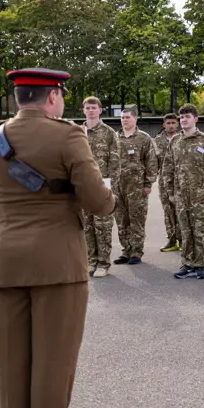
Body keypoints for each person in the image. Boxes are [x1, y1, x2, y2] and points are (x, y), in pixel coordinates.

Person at [0, 68, 115, 408]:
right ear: (52, 97)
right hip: (58, 262)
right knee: (54, 358)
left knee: (12, 360)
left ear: (20, 98)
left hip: (6, 259)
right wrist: (109, 197)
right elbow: (97, 201)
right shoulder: (68, 136)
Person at [162, 104, 204, 279]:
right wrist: (170, 191)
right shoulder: (175, 141)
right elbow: (168, 167)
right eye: (181, 117)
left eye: (187, 117)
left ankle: (200, 265)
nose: (184, 120)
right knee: (185, 232)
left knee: (201, 231)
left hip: (200, 195)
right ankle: (188, 264)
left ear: (195, 119)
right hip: (181, 195)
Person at [114, 106, 158, 265]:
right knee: (121, 220)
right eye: (122, 117)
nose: (124, 120)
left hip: (137, 187)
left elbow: (151, 162)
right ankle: (126, 250)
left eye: (128, 117)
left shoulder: (144, 138)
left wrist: (148, 183)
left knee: (136, 219)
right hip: (118, 187)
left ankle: (136, 252)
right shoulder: (115, 137)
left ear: (135, 118)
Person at [82, 97, 120, 278]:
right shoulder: (78, 132)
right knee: (87, 225)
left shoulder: (109, 132)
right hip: (83, 185)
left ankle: (103, 263)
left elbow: (115, 161)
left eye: (93, 108)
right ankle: (92, 260)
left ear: (100, 110)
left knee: (103, 225)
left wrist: (110, 187)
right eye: (87, 108)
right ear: (83, 110)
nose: (90, 111)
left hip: (103, 185)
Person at [154, 113, 181, 252]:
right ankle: (171, 240)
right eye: (168, 123)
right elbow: (153, 162)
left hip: (181, 181)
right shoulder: (157, 141)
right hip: (164, 181)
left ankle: (183, 240)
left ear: (177, 124)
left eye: (173, 123)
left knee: (182, 211)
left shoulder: (182, 138)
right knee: (168, 211)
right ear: (164, 125)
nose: (171, 125)